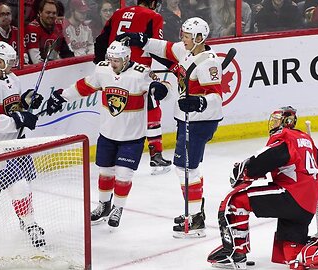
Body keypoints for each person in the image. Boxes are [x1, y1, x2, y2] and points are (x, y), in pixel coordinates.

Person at [116, 17, 223, 238]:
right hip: (187, 119)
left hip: (200, 121)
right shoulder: (186, 51)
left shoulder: (209, 62)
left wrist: (200, 102)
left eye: (186, 36)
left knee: (185, 169)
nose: (182, 39)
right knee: (187, 168)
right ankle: (195, 212)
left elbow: (216, 97)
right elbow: (163, 48)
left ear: (199, 38)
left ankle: (196, 221)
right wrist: (141, 40)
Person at [45, 41, 171, 228]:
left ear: (127, 58)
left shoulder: (141, 73)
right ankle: (104, 205)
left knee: (123, 175)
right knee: (105, 173)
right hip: (108, 134)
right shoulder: (103, 70)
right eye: (110, 59)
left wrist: (161, 89)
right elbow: (84, 86)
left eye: (117, 60)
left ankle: (117, 208)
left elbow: (164, 87)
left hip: (132, 137)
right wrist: (62, 96)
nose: (112, 63)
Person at [205, 106, 318, 268]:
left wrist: (242, 170)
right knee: (292, 250)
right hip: (307, 206)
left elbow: (263, 160)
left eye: (276, 121)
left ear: (286, 122)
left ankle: (236, 254)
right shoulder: (304, 138)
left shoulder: (284, 137)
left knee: (235, 201)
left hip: (291, 197)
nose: (273, 125)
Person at [0, 41, 46, 248]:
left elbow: (12, 106)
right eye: (10, 60)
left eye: (14, 59)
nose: (14, 63)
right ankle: (31, 225)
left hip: (17, 142)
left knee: (26, 184)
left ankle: (25, 220)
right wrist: (19, 119)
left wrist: (27, 101)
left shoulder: (12, 77)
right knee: (19, 186)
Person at [94, 0, 174, 175]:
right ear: (152, 2)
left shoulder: (118, 13)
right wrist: (175, 66)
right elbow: (156, 47)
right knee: (152, 108)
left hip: (113, 69)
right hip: (137, 71)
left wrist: (102, 67)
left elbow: (100, 40)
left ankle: (112, 158)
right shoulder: (153, 16)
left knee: (115, 111)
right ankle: (156, 155)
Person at [25, 0, 74, 64]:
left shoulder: (59, 26)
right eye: (48, 13)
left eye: (54, 13)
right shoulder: (32, 28)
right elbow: (36, 61)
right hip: (37, 71)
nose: (51, 16)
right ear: (40, 12)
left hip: (53, 66)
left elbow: (67, 53)